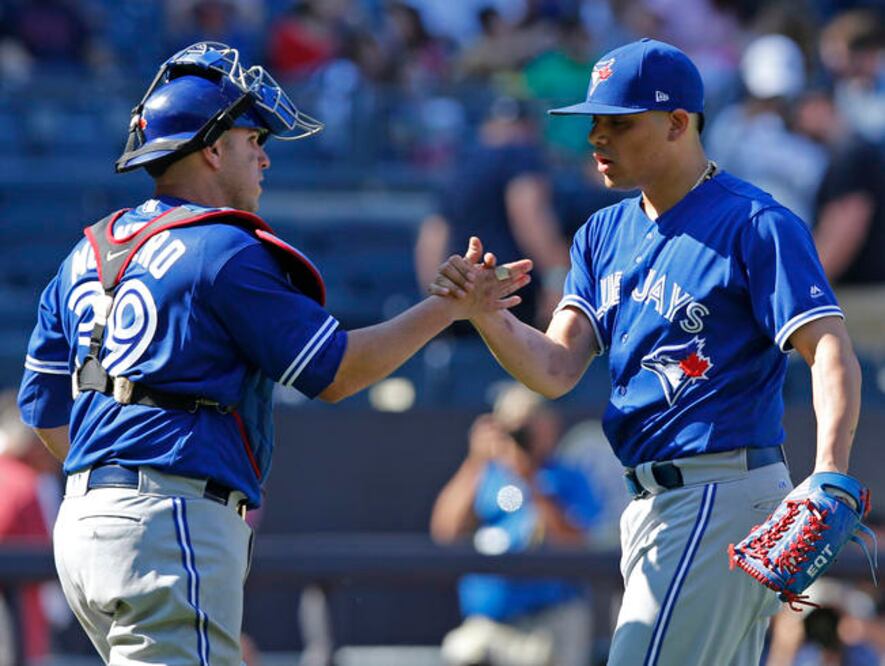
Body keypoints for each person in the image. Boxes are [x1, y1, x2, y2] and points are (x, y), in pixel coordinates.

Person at [15, 42, 531, 666]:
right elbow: (335, 372)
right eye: (253, 137)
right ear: (211, 149)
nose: (263, 156)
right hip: (166, 518)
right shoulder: (222, 248)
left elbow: (43, 413)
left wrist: (113, 480)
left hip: (83, 525)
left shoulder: (84, 254)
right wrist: (449, 308)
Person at [432, 38, 862, 665]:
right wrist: (488, 316)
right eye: (594, 123)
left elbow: (827, 346)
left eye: (620, 123)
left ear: (678, 123)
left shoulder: (754, 222)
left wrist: (828, 471)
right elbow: (554, 368)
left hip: (719, 491)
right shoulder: (602, 233)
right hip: (655, 505)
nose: (598, 138)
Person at [431, 382, 600, 666]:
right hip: (491, 622)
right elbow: (445, 532)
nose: (523, 436)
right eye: (515, 428)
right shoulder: (485, 475)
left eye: (530, 426)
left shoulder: (567, 476)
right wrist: (475, 461)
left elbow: (575, 543)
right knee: (460, 651)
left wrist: (530, 480)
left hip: (550, 619)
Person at [415, 96, 570, 330]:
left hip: (462, 298)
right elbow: (527, 212)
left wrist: (435, 302)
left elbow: (433, 235)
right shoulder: (520, 156)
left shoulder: (460, 166)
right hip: (509, 293)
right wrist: (557, 279)